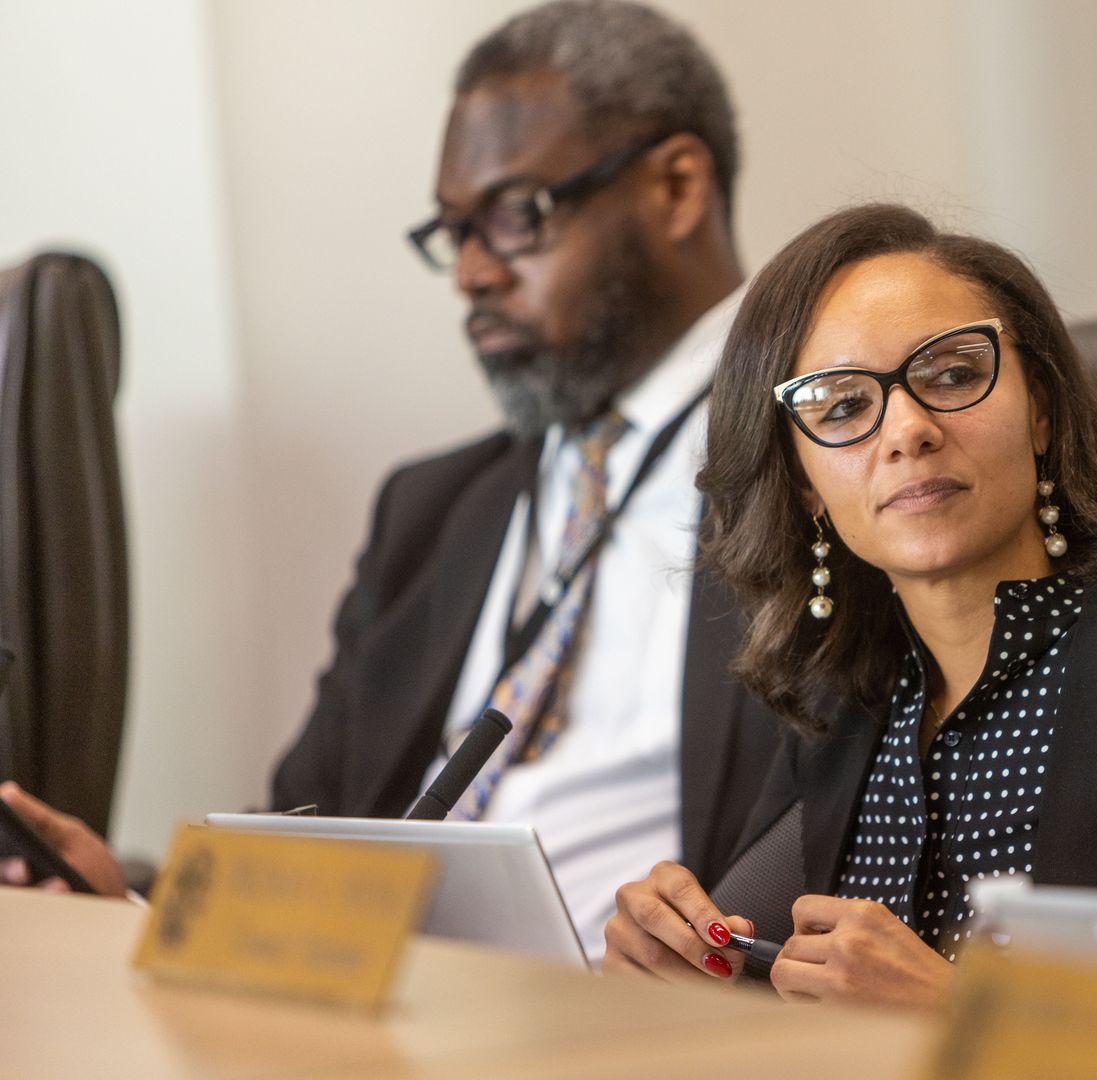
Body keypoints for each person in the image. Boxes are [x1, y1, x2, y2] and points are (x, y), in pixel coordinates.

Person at [0, 0, 780, 962]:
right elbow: (305, 813)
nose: (471, 275)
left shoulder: (831, 454)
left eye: (514, 215)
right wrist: (136, 907)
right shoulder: (433, 511)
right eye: (454, 233)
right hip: (369, 1011)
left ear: (674, 187)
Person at [599, 203, 1097, 1004]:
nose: (907, 430)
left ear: (1042, 409)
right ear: (804, 480)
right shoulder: (844, 704)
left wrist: (965, 1015)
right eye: (842, 406)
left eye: (952, 374)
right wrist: (678, 956)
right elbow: (746, 963)